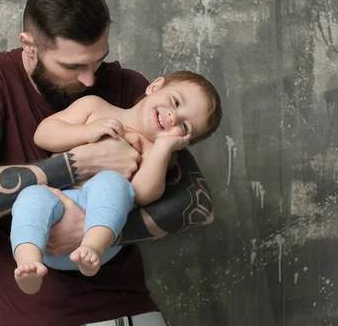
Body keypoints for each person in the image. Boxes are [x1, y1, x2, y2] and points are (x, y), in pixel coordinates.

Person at [0, 0, 216, 326]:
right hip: (36, 316)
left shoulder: (131, 89)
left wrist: (96, 231)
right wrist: (77, 164)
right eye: (73, 66)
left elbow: (197, 205)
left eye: (97, 61)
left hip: (129, 314)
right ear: (29, 46)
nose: (90, 79)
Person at [12, 70, 222, 294]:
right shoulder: (95, 107)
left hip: (99, 233)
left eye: (185, 126)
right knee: (32, 195)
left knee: (111, 182)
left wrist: (163, 148)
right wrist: (85, 132)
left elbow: (141, 194)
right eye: (175, 101)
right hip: (51, 214)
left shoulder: (157, 152)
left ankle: (91, 247)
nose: (173, 117)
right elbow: (43, 134)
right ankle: (29, 264)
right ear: (156, 86)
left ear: (183, 142)